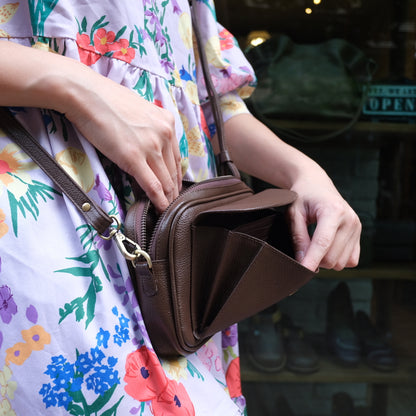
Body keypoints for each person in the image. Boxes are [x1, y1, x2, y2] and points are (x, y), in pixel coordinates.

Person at [0, 0, 361, 414]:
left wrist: (303, 172)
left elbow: (205, 102)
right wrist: (78, 86)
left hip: (179, 260)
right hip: (45, 221)